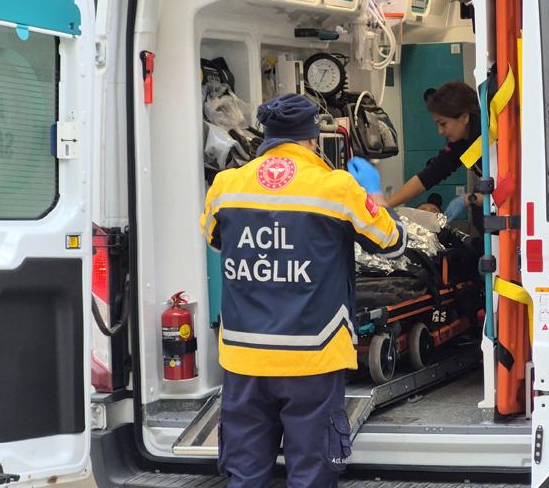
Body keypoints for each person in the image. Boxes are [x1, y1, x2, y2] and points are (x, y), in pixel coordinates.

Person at [200, 93, 407, 488]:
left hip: (244, 357)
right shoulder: (336, 188)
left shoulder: (226, 185)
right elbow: (392, 244)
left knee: (244, 474)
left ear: (266, 136)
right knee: (312, 473)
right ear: (313, 138)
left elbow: (215, 239)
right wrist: (374, 196)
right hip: (312, 354)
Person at [385, 82, 484, 211]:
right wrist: (385, 206)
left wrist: (476, 198)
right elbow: (428, 176)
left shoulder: (491, 138)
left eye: (443, 124)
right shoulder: (459, 144)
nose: (440, 131)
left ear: (464, 117)